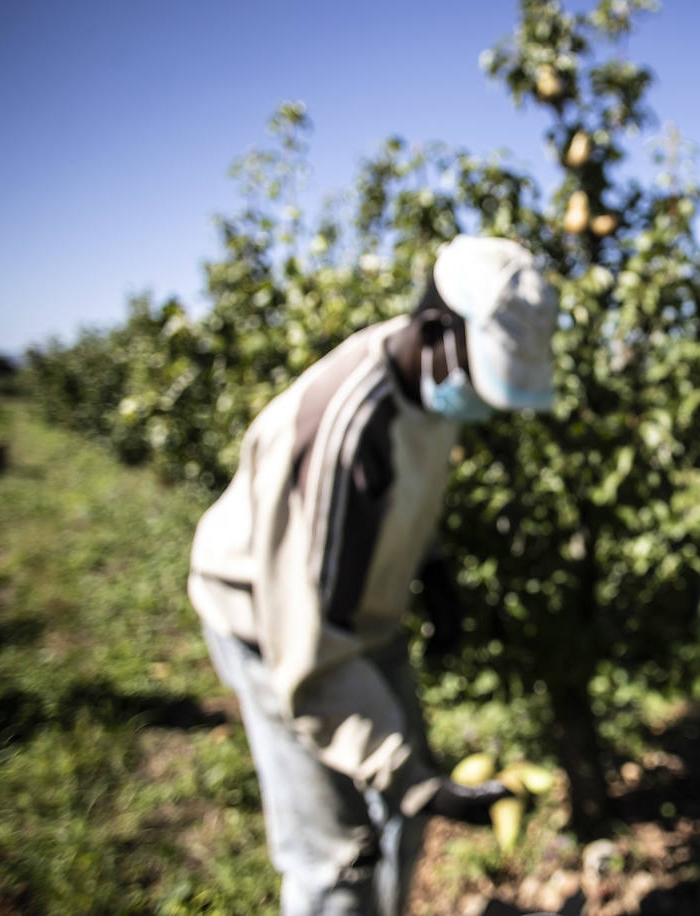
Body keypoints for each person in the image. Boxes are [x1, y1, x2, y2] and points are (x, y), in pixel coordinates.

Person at [187, 236, 558, 915]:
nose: (484, 405)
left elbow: (406, 495)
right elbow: (310, 654)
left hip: (357, 608)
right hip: (270, 622)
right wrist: (412, 778)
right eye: (484, 382)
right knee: (337, 852)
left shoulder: (433, 382)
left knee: (401, 815)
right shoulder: (342, 435)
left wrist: (435, 571)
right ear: (438, 331)